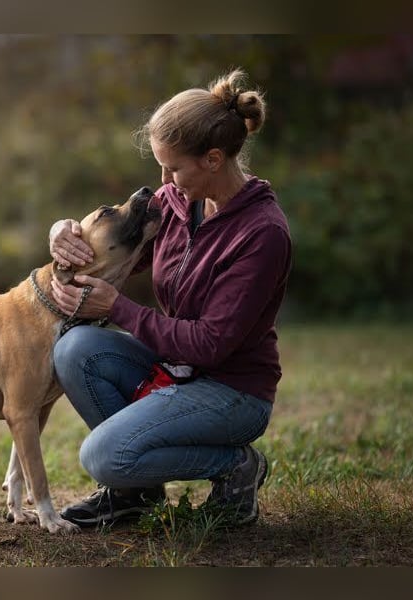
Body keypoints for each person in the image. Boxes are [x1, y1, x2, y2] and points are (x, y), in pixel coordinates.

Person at [47, 69, 292, 527]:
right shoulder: (178, 201)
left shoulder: (262, 234)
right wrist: (64, 232)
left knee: (103, 456)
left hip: (231, 391)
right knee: (75, 349)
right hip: (174, 369)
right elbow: (118, 251)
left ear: (214, 159)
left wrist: (117, 309)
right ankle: (133, 497)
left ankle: (236, 466)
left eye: (174, 167)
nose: (164, 179)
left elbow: (211, 344)